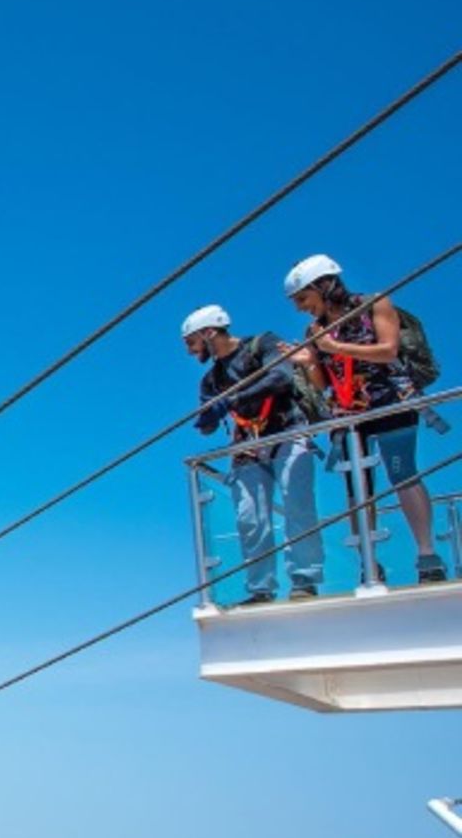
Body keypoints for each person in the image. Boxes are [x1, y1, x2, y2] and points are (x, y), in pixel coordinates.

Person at [285, 254, 449, 585]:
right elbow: (323, 382)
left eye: (303, 298)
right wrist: (309, 362)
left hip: (390, 402)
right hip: (349, 414)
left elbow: (388, 350)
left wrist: (336, 346)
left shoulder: (373, 304)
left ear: (322, 286)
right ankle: (369, 563)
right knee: (357, 490)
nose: (301, 307)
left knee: (403, 474)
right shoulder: (314, 330)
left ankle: (426, 553)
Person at [182, 304, 324, 604]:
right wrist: (207, 420)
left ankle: (304, 580)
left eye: (192, 342)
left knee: (298, 505)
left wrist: (232, 399)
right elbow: (210, 416)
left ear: (209, 333)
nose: (191, 352)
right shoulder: (211, 380)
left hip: (287, 431)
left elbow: (280, 377)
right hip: (248, 445)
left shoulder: (262, 345)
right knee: (249, 518)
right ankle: (261, 587)